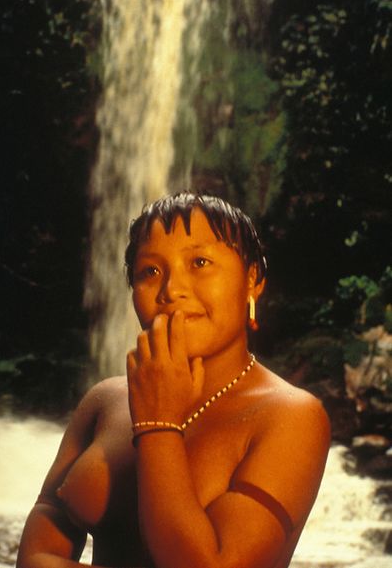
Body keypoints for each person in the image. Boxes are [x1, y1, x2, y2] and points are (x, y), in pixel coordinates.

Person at [17, 192, 330, 568]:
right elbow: (34, 558)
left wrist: (158, 424)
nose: (171, 290)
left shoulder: (293, 416)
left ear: (252, 280)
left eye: (199, 262)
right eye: (150, 271)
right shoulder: (104, 401)